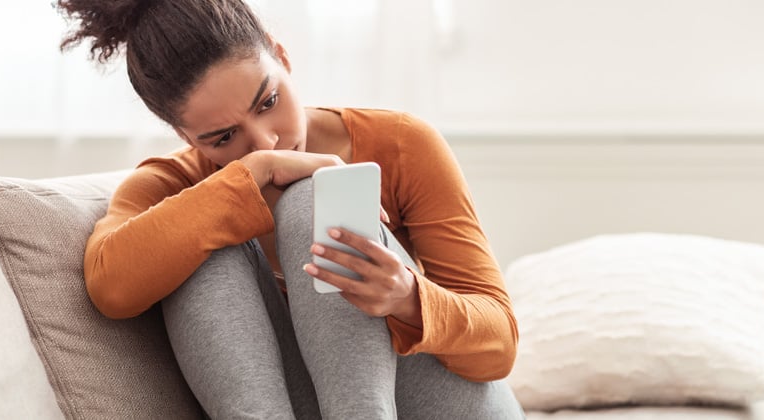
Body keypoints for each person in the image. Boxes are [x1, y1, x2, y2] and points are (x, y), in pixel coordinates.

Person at [57, 0, 523, 418]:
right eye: (223, 137)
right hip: (303, 404)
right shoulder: (173, 181)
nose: (266, 140)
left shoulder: (402, 143)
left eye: (269, 101)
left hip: (449, 403)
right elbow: (110, 288)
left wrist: (407, 298)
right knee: (196, 230)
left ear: (282, 58)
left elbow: (499, 345)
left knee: (311, 197)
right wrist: (252, 173)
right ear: (185, 137)